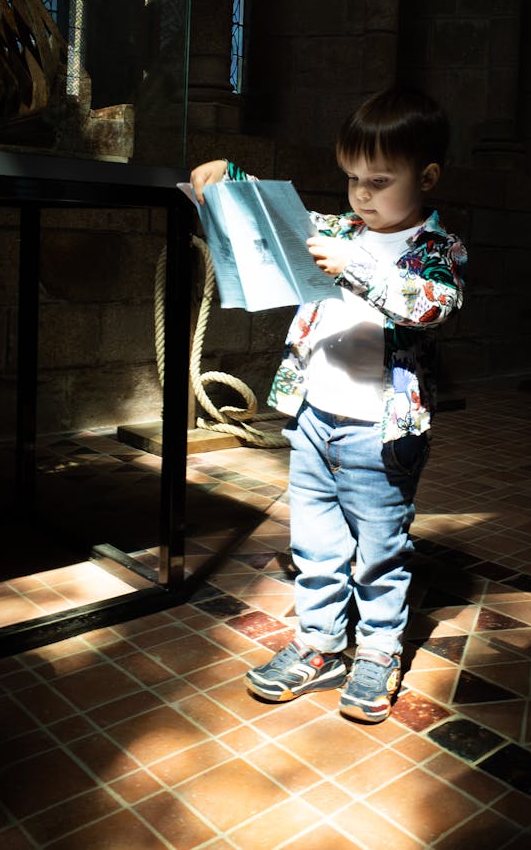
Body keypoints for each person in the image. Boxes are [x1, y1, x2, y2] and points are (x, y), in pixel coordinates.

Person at [190, 86, 466, 723]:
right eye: (350, 180)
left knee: (379, 548)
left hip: (381, 430)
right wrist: (228, 178)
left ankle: (377, 650)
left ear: (426, 177)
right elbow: (276, 217)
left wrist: (357, 266)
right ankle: (318, 642)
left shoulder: (436, 250)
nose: (361, 195)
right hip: (313, 418)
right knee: (315, 543)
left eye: (379, 179)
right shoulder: (339, 229)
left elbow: (433, 305)